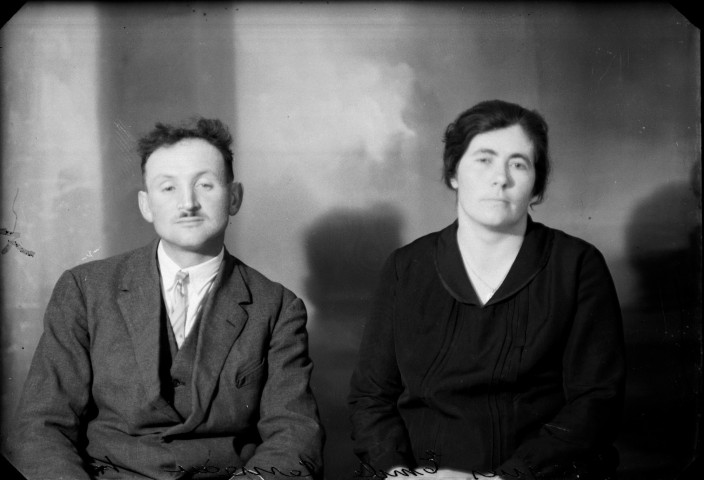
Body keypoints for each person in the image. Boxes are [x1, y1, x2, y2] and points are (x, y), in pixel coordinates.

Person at [8, 118, 324, 479]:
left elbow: (295, 436)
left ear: (234, 197)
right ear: (146, 205)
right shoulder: (85, 290)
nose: (188, 203)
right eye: (168, 187)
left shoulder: (277, 307)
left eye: (205, 185)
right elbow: (42, 427)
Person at [348, 100, 625, 480]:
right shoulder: (406, 267)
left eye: (518, 164)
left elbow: (595, 402)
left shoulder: (576, 265)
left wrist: (501, 479)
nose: (501, 179)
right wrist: (398, 474)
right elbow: (371, 397)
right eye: (484, 160)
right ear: (453, 173)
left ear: (536, 186)